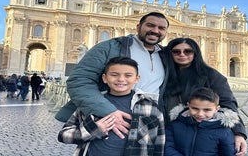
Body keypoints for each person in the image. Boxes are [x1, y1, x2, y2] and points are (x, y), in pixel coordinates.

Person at [55, 12, 169, 141]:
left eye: (161, 28)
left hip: (149, 121)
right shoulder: (108, 47)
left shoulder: (166, 55)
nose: (155, 31)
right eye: (150, 25)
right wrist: (108, 111)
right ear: (138, 27)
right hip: (113, 117)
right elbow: (79, 80)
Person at [58, 57, 165, 156]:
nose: (121, 79)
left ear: (136, 79)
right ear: (105, 78)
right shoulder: (91, 102)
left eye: (128, 75)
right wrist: (94, 129)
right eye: (114, 75)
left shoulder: (150, 106)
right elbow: (63, 135)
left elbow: (159, 142)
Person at [163, 37, 247, 155]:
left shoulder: (210, 75)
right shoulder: (163, 73)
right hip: (170, 129)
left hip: (201, 131)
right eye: (176, 51)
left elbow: (228, 103)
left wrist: (239, 133)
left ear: (195, 53)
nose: (182, 54)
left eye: (188, 51)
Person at [165, 87, 239, 156]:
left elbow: (229, 153)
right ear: (188, 105)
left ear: (217, 109)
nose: (200, 114)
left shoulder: (224, 131)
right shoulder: (176, 124)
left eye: (207, 110)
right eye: (195, 108)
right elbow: (167, 147)